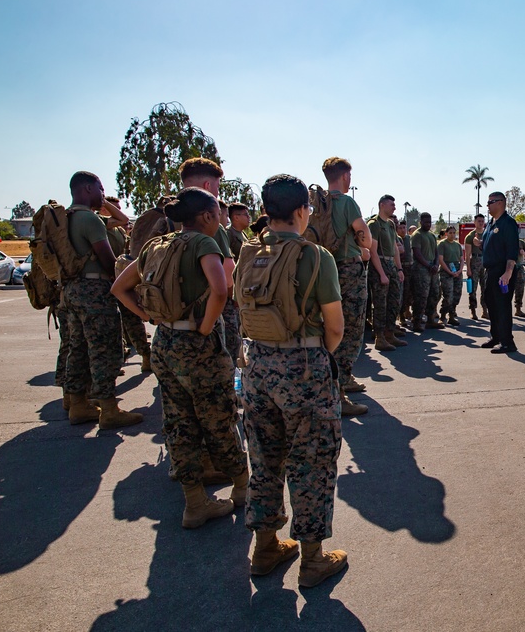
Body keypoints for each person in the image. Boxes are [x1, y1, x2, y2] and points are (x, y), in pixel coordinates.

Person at [236, 174, 349, 587]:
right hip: (304, 368)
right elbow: (335, 327)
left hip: (257, 366)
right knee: (312, 462)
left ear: (266, 210)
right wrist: (315, 358)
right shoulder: (316, 257)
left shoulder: (248, 252)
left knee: (264, 459)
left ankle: (264, 548)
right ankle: (313, 559)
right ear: (303, 210)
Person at [112, 187, 248, 529]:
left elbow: (119, 287)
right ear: (206, 216)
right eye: (217, 212)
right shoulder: (205, 243)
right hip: (198, 346)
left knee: (178, 423)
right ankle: (244, 487)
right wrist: (204, 327)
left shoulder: (156, 245)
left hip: (165, 343)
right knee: (219, 418)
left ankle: (194, 502)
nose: (221, 218)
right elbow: (220, 288)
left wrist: (148, 317)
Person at [62, 171, 143, 428]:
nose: (101, 194)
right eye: (100, 189)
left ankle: (76, 403)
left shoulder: (67, 217)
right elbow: (108, 262)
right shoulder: (90, 219)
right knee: (106, 348)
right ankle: (109, 409)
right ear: (87, 189)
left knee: (78, 347)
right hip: (94, 290)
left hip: (72, 291)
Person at [323, 157, 373, 416]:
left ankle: (343, 379)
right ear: (345, 177)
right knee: (350, 329)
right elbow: (365, 237)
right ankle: (339, 392)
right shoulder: (346, 202)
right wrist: (364, 245)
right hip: (348, 269)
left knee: (329, 326)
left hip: (323, 268)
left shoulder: (316, 204)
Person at [178, 158, 239, 367]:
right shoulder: (210, 224)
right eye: (218, 187)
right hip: (207, 319)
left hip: (171, 326)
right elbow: (228, 274)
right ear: (208, 186)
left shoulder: (170, 219)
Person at [101, 196, 151, 372]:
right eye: (115, 208)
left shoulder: (120, 232)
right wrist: (105, 202)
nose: (119, 211)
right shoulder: (101, 225)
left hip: (123, 279)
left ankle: (146, 354)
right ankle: (115, 363)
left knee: (133, 320)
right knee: (111, 327)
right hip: (105, 282)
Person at [480, 192, 519, 353]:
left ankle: (507, 342)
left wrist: (508, 272)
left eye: (490, 202)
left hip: (502, 270)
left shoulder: (508, 223)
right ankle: (496, 336)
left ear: (500, 203)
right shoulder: (491, 223)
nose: (488, 205)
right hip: (490, 270)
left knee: (502, 306)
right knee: (491, 304)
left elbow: (512, 251)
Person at [367, 195, 407, 352]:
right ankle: (380, 337)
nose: (394, 207)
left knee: (394, 301)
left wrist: (399, 269)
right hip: (380, 265)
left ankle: (389, 333)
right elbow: (373, 251)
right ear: (382, 205)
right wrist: (382, 274)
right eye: (392, 204)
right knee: (380, 303)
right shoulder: (374, 224)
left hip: (391, 264)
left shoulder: (390, 224)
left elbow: (395, 248)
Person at [409, 213, 443, 331]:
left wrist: (436, 264)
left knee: (435, 293)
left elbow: (436, 251)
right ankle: (417, 321)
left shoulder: (432, 235)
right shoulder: (417, 235)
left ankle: (430, 319)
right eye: (426, 222)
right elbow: (417, 253)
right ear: (421, 222)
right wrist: (428, 265)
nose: (428, 224)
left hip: (432, 268)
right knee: (421, 296)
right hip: (421, 269)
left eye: (430, 222)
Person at [437, 226, 464, 325]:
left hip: (457, 269)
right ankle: (443, 315)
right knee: (448, 295)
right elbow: (441, 260)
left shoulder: (457, 245)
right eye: (450, 233)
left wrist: (460, 270)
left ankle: (452, 316)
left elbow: (461, 259)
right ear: (446, 234)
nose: (452, 235)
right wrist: (449, 271)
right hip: (446, 270)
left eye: (454, 233)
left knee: (457, 294)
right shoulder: (442, 244)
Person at [464, 214, 487, 320]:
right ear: (475, 222)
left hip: (486, 262)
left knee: (486, 288)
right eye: (479, 221)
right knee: (473, 289)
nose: (481, 223)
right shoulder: (470, 236)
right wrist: (468, 268)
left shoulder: (487, 234)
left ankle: (485, 310)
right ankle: (473, 310)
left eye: (482, 221)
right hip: (475, 262)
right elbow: (467, 255)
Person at [396, 218, 413, 329]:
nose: (402, 230)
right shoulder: (397, 239)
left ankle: (408, 311)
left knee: (410, 292)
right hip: (401, 267)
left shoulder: (409, 239)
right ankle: (401, 316)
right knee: (402, 293)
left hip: (410, 267)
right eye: (400, 228)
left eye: (404, 228)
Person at [513, 238, 525, 318]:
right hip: (509, 267)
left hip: (519, 267)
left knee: (520, 289)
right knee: (507, 290)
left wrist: (524, 252)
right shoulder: (507, 240)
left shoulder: (521, 242)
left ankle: (518, 309)